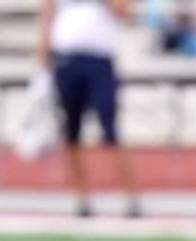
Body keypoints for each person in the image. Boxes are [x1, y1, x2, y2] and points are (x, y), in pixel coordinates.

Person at [38, 0, 139, 219]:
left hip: (99, 61)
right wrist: (42, 67)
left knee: (110, 131)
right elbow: (47, 18)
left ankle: (130, 198)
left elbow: (124, 11)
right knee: (71, 132)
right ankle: (81, 199)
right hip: (66, 60)